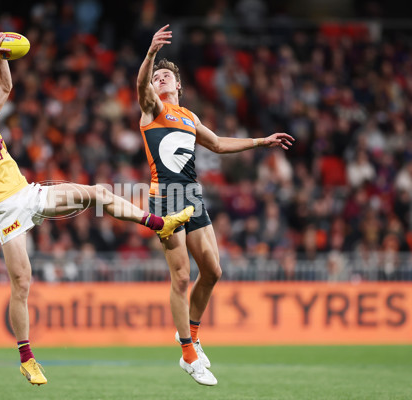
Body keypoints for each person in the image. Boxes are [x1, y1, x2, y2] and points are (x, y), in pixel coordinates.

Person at [0, 32, 193, 386]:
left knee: (97, 192)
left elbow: (3, 89)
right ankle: (26, 358)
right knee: (22, 283)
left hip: (29, 193)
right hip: (6, 210)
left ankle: (159, 223)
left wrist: (2, 57)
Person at [136, 25, 294, 386]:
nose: (159, 78)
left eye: (166, 76)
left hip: (191, 195)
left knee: (213, 271)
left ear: (178, 86)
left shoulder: (189, 117)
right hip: (165, 198)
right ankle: (188, 354)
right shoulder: (151, 108)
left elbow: (219, 144)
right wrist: (149, 55)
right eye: (156, 76)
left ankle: (190, 332)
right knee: (180, 276)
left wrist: (261, 141)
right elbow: (141, 83)